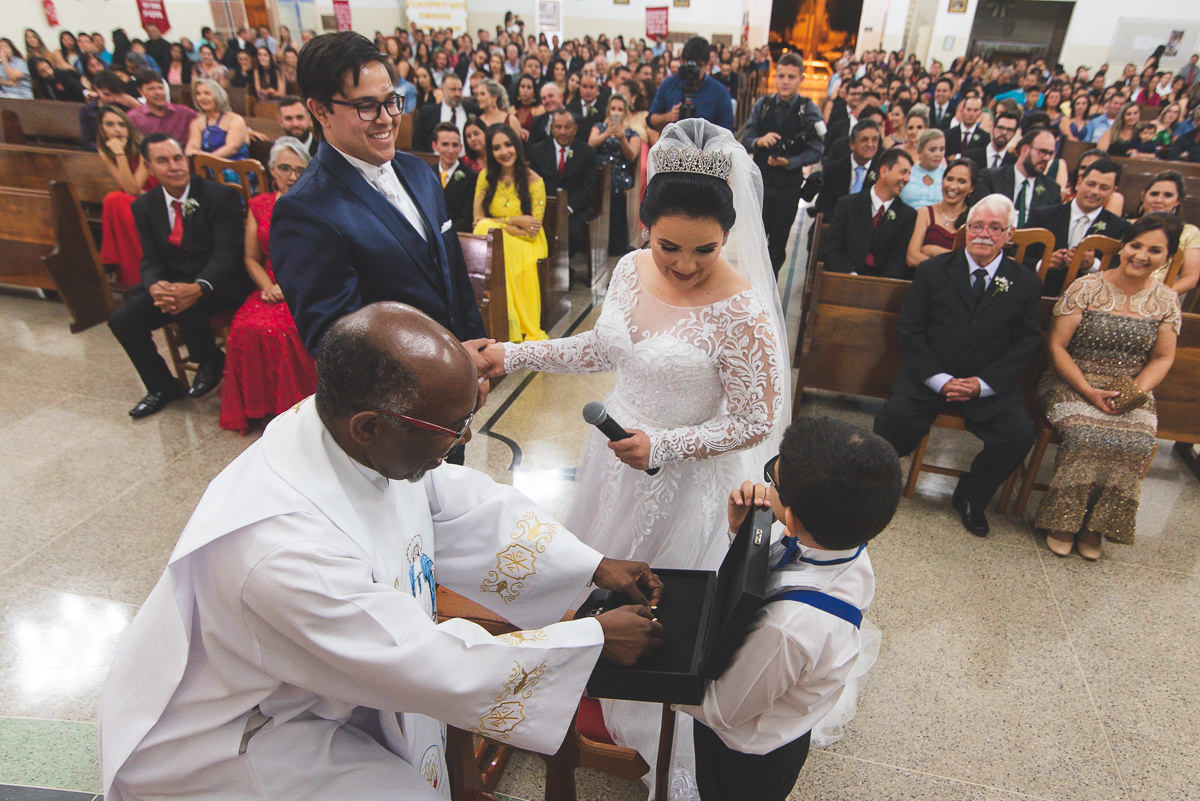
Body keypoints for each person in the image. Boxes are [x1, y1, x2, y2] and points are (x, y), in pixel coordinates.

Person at [100, 302, 665, 801]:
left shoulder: (344, 434)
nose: (463, 440)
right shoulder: (279, 551)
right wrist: (591, 640)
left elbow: (453, 504)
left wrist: (590, 566)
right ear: (370, 426)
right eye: (452, 427)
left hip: (321, 689)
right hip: (240, 736)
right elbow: (421, 660)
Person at [483, 118, 788, 795]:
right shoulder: (627, 268)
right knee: (590, 573)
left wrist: (667, 446)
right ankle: (572, 679)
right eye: (669, 245)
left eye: (704, 249)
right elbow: (603, 350)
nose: (682, 264)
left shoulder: (742, 311)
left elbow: (757, 417)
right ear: (645, 224)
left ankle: (646, 721)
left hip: (686, 484)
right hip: (612, 463)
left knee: (663, 616)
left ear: (729, 234)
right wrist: (513, 353)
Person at [269, 31, 490, 437]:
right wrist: (439, 378)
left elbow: (453, 277)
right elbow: (337, 344)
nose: (387, 118)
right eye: (367, 107)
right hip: (392, 419)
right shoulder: (305, 211)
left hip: (452, 390)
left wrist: (470, 364)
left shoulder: (420, 173)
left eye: (391, 101)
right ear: (320, 109)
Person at [680, 416, 900, 801]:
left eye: (773, 481)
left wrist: (654, 680)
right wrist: (742, 533)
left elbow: (723, 711)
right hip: (778, 713)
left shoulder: (786, 629)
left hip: (744, 757)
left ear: (794, 519)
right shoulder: (848, 549)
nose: (766, 486)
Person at [873, 194, 1042, 538]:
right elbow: (910, 329)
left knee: (1018, 435)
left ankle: (971, 496)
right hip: (930, 376)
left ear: (1009, 234)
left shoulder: (1024, 282)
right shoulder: (934, 270)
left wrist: (983, 384)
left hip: (988, 383)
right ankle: (876, 487)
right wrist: (939, 379)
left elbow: (1026, 343)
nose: (984, 234)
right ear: (966, 230)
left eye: (995, 228)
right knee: (895, 418)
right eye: (977, 226)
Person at [1036, 214, 1182, 559]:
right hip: (1071, 380)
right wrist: (1088, 390)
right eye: (1135, 245)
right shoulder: (1086, 287)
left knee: (1138, 440)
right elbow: (1057, 347)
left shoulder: (1166, 301)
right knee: (1088, 435)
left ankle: (1096, 527)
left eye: (1154, 250)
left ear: (1168, 257)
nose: (1141, 255)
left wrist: (1133, 393)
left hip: (1131, 388)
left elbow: (1162, 358)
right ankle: (1063, 520)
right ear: (1123, 247)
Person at [108, 134, 249, 418]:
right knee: (122, 320)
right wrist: (154, 286)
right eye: (163, 161)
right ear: (149, 168)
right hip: (175, 284)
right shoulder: (144, 206)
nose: (174, 167)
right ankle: (162, 386)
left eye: (177, 158)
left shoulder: (220, 197)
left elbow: (227, 255)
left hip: (220, 283)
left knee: (188, 299)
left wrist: (199, 287)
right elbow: (150, 258)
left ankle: (208, 359)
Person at [218, 137, 318, 434]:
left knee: (286, 330)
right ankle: (258, 407)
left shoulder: (316, 207)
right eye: (285, 168)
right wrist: (268, 287)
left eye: (299, 170)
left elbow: (318, 259)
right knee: (246, 326)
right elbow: (251, 257)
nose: (291, 176)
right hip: (268, 287)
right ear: (272, 170)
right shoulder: (259, 205)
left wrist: (287, 287)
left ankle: (295, 409)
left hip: (305, 285)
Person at [740, 52, 825, 274]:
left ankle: (770, 292)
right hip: (761, 186)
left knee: (777, 247)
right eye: (781, 76)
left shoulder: (808, 110)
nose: (785, 81)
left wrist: (790, 162)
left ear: (800, 79)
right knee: (753, 243)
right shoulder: (763, 105)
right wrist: (760, 141)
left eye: (791, 76)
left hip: (788, 189)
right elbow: (746, 139)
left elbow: (816, 149)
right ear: (774, 77)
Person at [472, 124, 548, 341]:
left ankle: (512, 323)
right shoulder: (485, 177)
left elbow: (532, 231)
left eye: (508, 145)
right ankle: (497, 319)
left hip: (527, 243)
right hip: (496, 238)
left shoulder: (534, 181)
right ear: (490, 152)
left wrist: (497, 225)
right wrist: (514, 221)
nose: (504, 152)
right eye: (496, 148)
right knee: (484, 229)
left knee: (488, 231)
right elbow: (477, 221)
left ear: (517, 145)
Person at [1024, 158, 1130, 295]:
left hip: (1087, 302)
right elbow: (1017, 256)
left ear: (1113, 191)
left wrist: (1092, 265)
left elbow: (1120, 272)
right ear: (1079, 183)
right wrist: (1043, 264)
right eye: (1091, 184)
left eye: (1104, 188)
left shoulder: (1120, 228)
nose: (1095, 192)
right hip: (1038, 294)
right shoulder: (1042, 215)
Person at [823, 147, 918, 279]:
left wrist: (879, 285)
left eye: (909, 174)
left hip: (882, 288)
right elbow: (832, 246)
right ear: (884, 171)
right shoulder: (847, 205)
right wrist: (850, 275)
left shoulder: (908, 215)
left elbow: (898, 258)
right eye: (903, 172)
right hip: (843, 278)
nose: (907, 179)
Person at [96, 105, 155, 288]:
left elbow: (132, 188)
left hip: (156, 199)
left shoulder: (144, 148)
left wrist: (120, 153)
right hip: (134, 201)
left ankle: (113, 265)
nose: (117, 130)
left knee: (115, 200)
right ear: (102, 128)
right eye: (110, 124)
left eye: (122, 124)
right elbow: (129, 188)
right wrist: (116, 154)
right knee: (115, 201)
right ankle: (132, 276)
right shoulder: (105, 151)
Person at [528, 109, 598, 258]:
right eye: (558, 127)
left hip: (575, 210)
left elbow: (589, 189)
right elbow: (532, 185)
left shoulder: (588, 153)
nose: (563, 132)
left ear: (575, 128)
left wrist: (569, 208)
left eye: (567, 127)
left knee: (573, 233)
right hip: (544, 207)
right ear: (551, 128)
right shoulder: (536, 151)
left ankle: (565, 267)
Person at [588, 94, 643, 257]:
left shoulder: (632, 133)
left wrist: (621, 139)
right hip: (600, 171)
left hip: (619, 173)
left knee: (614, 187)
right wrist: (607, 134)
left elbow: (632, 155)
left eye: (620, 109)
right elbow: (591, 143)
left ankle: (616, 243)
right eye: (613, 109)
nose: (616, 112)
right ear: (608, 111)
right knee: (600, 184)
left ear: (625, 113)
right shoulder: (599, 127)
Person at [977, 127, 1060, 226]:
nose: (1047, 158)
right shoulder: (991, 178)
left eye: (1050, 153)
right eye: (1042, 152)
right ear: (1024, 150)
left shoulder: (1052, 189)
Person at [648, 37, 734, 131]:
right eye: (689, 65)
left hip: (706, 144)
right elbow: (651, 120)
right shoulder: (669, 84)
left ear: (707, 63)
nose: (693, 72)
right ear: (682, 61)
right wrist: (667, 117)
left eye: (698, 66)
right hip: (672, 143)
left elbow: (727, 131)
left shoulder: (720, 92)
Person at [906, 157, 976, 268]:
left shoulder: (974, 218)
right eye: (949, 179)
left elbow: (972, 262)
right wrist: (953, 264)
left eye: (961, 181)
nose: (952, 186)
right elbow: (912, 258)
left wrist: (933, 250)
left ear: (971, 188)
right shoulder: (925, 212)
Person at [814, 119, 880, 222]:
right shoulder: (833, 170)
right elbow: (823, 207)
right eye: (864, 140)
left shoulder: (881, 172)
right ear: (852, 144)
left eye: (874, 140)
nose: (870, 145)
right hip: (834, 224)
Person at [184, 78, 250, 163]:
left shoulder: (235, 120)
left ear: (218, 96)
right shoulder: (197, 123)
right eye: (198, 94)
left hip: (235, 167)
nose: (202, 97)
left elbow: (232, 148)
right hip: (207, 165)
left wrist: (206, 159)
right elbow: (192, 147)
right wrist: (192, 152)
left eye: (207, 93)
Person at [127, 69, 196, 142]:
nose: (158, 92)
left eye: (160, 88)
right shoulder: (133, 118)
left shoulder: (185, 113)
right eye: (151, 89)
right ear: (141, 92)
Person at [431, 122, 478, 233]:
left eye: (455, 145)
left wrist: (443, 235)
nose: (451, 150)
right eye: (445, 144)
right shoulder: (427, 173)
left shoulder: (471, 177)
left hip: (457, 237)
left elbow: (467, 219)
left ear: (461, 147)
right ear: (435, 146)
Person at [414, 72, 473, 151]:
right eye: (453, 89)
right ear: (442, 90)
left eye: (460, 90)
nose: (457, 93)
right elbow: (417, 144)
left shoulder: (470, 110)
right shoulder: (427, 113)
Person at [900, 128, 946, 209]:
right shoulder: (907, 174)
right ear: (919, 151)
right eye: (932, 150)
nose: (938, 154)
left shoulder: (947, 175)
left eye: (941, 149)